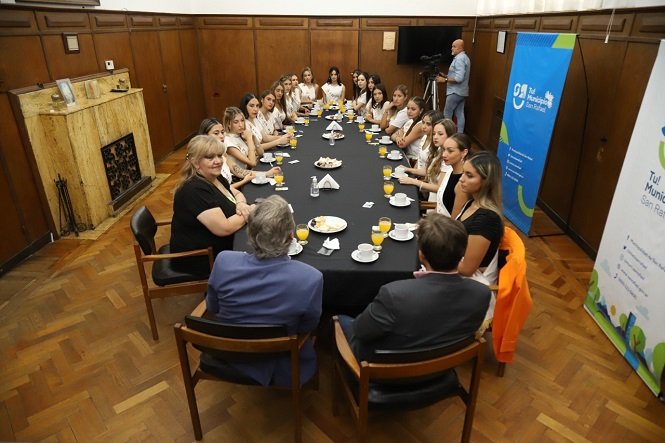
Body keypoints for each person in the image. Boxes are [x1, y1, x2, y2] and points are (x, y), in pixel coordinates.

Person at [206, 195, 323, 386]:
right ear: (290, 237)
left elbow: (212, 307)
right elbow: (308, 325)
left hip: (230, 351)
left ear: (250, 234)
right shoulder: (310, 278)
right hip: (281, 360)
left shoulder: (223, 261)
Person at [339, 214, 491, 361]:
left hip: (389, 370)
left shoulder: (394, 295)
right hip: (444, 365)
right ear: (462, 253)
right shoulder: (482, 293)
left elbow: (361, 331)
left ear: (421, 255)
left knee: (340, 320)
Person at [170, 135, 254, 275]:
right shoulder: (194, 190)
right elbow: (224, 228)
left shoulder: (215, 177)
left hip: (220, 247)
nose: (218, 161)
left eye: (219, 156)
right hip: (201, 258)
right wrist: (252, 211)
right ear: (195, 163)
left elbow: (237, 193)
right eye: (210, 158)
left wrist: (241, 205)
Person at [399, 118, 457, 201]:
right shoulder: (439, 149)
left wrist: (413, 181)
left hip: (435, 202)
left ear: (450, 136)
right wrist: (408, 169)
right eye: (434, 134)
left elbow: (439, 188)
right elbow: (430, 171)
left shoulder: (447, 158)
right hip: (429, 194)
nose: (435, 137)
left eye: (440, 134)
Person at [223, 107, 281, 181]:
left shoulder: (241, 135)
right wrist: (249, 139)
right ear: (228, 124)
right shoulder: (228, 142)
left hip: (250, 172)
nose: (240, 125)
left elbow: (261, 152)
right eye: (236, 122)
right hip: (239, 178)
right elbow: (252, 163)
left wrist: (253, 137)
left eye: (242, 121)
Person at [198, 117, 253, 189]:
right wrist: (244, 181)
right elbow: (219, 190)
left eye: (222, 132)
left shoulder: (222, 151)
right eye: (216, 133)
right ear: (205, 136)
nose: (221, 136)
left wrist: (264, 174)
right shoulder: (203, 161)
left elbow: (239, 172)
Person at [436, 39, 470, 133]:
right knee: (459, 114)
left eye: (454, 46)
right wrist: (446, 76)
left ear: (460, 48)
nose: (452, 48)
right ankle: (459, 135)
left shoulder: (459, 59)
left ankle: (447, 134)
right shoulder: (465, 57)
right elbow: (459, 75)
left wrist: (445, 80)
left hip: (455, 91)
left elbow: (459, 78)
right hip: (462, 92)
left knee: (447, 113)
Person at [392, 96, 427, 164]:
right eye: (408, 108)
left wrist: (398, 136)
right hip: (406, 157)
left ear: (421, 110)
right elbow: (392, 135)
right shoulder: (409, 121)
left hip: (415, 162)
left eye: (413, 109)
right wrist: (398, 137)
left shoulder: (420, 125)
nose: (409, 111)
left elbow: (402, 144)